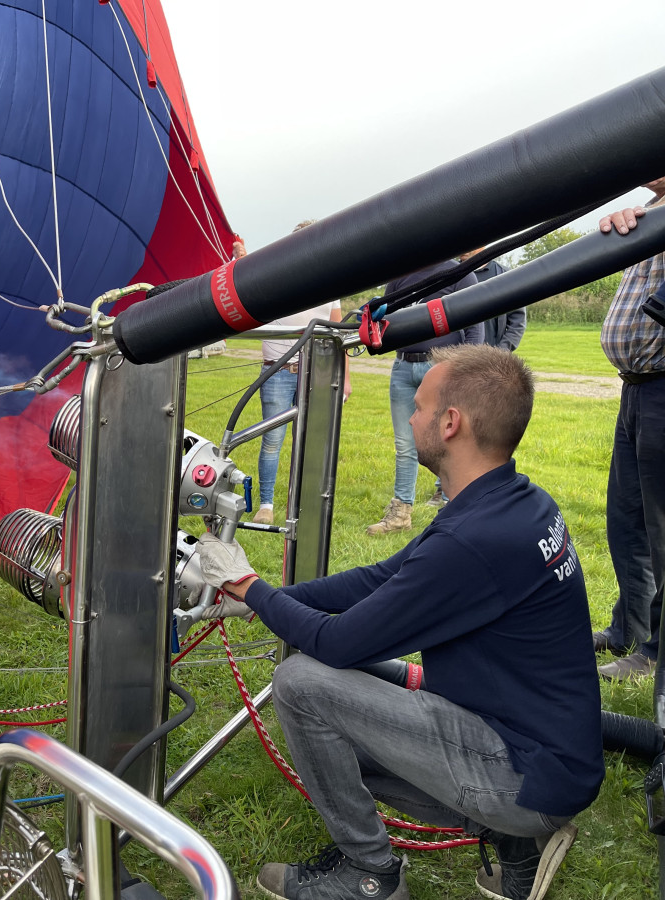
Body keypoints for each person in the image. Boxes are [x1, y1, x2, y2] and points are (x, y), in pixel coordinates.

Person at [196, 344, 602, 900]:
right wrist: (268, 598)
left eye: (420, 407)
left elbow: (338, 643)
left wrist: (247, 584)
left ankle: (371, 875)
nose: (411, 419)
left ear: (451, 423)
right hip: (542, 751)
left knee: (301, 684)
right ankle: (516, 844)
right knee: (336, 692)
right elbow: (379, 578)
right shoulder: (512, 500)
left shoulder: (473, 541)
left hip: (524, 775)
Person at [591, 178, 665, 680]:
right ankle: (630, 630)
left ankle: (657, 652)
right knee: (628, 523)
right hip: (636, 387)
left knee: (662, 528)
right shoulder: (648, 210)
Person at [368, 261, 482, 532]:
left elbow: (475, 327)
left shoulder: (460, 274)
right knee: (405, 444)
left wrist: (465, 370)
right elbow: (384, 319)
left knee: (449, 440)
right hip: (403, 367)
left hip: (442, 366)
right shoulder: (400, 275)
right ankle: (400, 514)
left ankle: (451, 511)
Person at [252, 221, 352, 526]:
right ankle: (266, 505)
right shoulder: (275, 279)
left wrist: (345, 379)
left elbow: (339, 335)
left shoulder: (331, 285)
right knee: (273, 439)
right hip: (278, 372)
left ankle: (301, 503)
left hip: (315, 374)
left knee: (308, 440)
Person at [460, 249, 527, 351]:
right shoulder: (447, 276)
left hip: (491, 356)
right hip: (454, 357)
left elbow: (517, 321)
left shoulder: (506, 276)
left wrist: (501, 352)